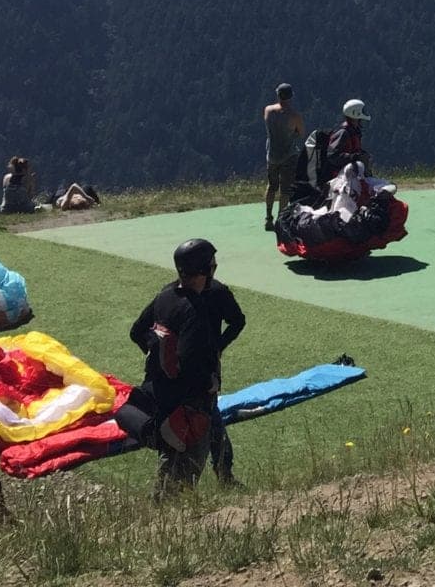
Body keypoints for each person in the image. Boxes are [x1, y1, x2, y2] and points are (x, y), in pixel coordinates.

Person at [126, 238, 246, 492]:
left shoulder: (168, 295)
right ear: (205, 270)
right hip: (193, 390)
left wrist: (161, 357)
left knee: (187, 434)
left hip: (168, 387)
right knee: (189, 443)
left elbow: (138, 332)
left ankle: (220, 473)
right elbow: (187, 358)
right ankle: (183, 493)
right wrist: (207, 376)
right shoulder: (196, 307)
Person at [263, 83, 304, 231]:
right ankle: (281, 220)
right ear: (291, 96)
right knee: (285, 189)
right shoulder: (295, 115)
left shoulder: (268, 110)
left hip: (272, 155)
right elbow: (301, 133)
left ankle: (268, 218)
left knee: (271, 186)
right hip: (288, 155)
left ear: (278, 95)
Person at [326, 99, 371, 172]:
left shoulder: (354, 132)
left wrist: (362, 155)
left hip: (352, 172)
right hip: (341, 174)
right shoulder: (343, 133)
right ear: (355, 113)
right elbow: (332, 156)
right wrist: (353, 157)